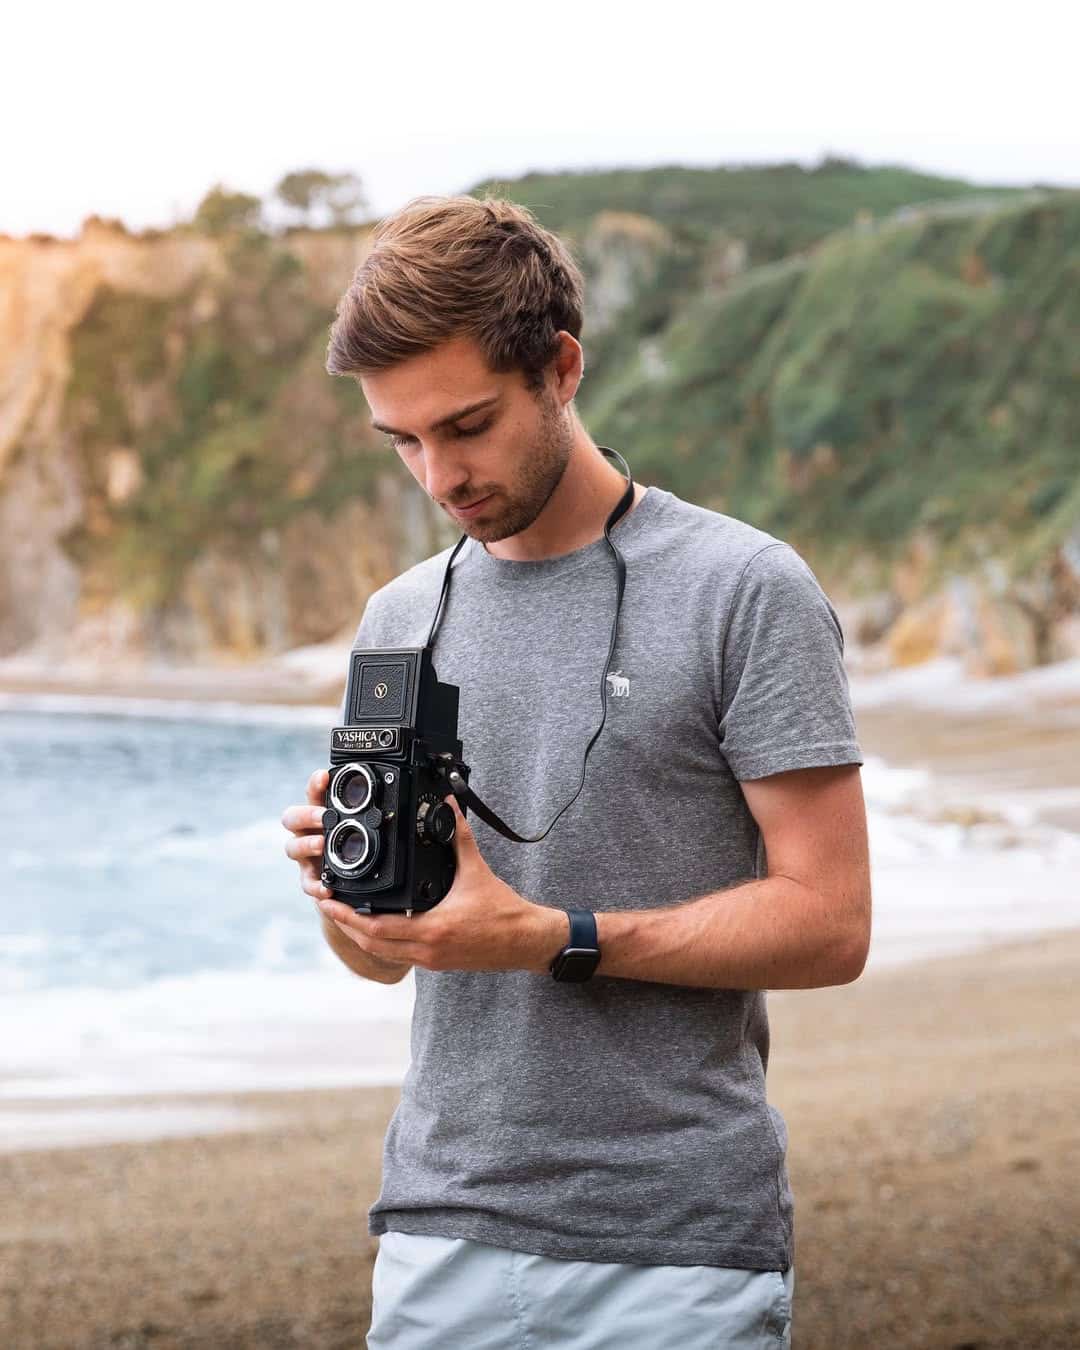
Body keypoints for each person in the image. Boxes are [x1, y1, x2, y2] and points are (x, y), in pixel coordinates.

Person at [281, 194, 871, 1348]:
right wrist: (346, 895)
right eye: (402, 440)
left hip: (673, 1246)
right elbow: (379, 965)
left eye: (466, 424)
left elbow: (832, 922)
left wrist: (555, 935)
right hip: (435, 1229)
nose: (439, 475)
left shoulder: (743, 589)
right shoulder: (398, 616)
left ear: (560, 369)